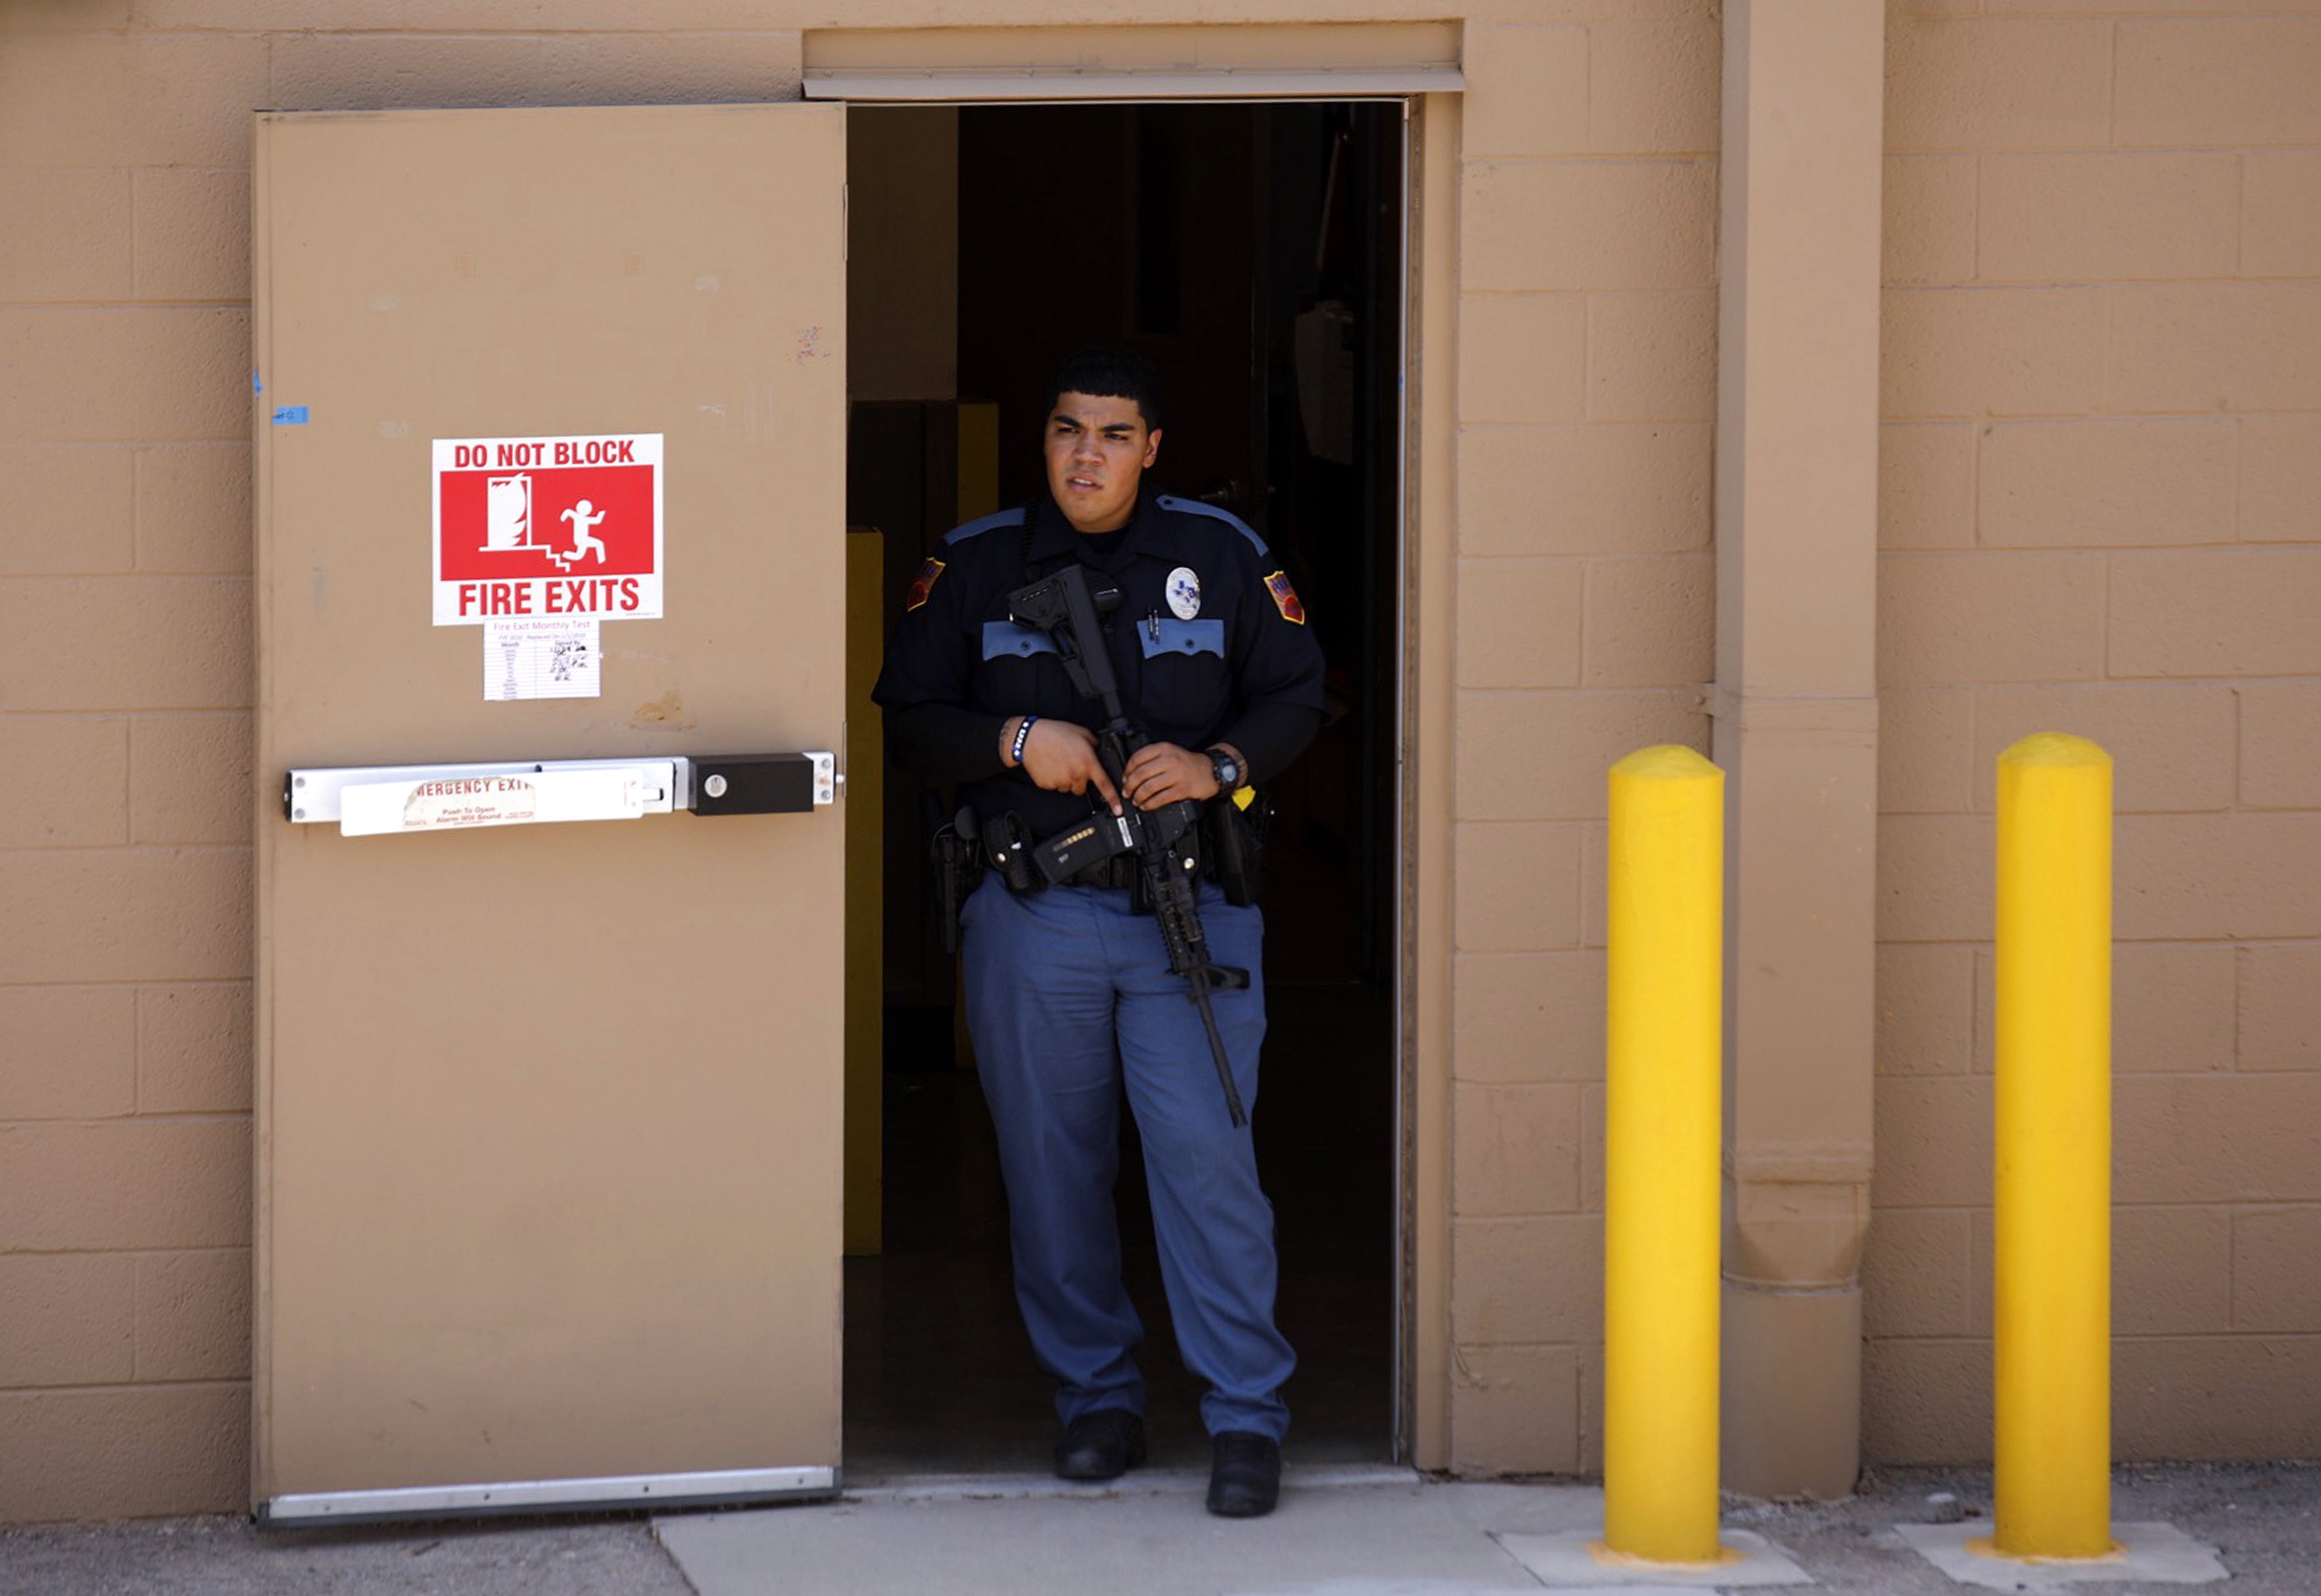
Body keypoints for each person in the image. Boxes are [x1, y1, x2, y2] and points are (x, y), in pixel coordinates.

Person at [873, 348, 1325, 1518]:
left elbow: (1297, 691)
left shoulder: (1219, 555)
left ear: (1152, 448)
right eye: (1069, 430)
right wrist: (1017, 740)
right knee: (1052, 1177)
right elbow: (907, 715)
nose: (1088, 454)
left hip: (1190, 919)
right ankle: (1098, 1403)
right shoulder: (974, 564)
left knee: (1209, 1168)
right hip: (1036, 918)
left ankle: (1244, 1419)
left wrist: (1216, 763)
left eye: (1115, 434)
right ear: (1047, 441)